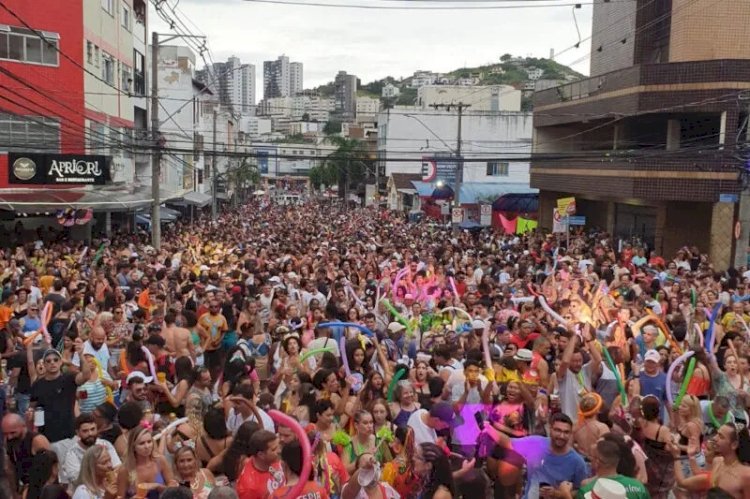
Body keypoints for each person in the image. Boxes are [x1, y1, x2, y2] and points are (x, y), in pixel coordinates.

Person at [30, 343, 91, 461]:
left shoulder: (69, 378)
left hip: (68, 436)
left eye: (55, 360)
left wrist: (81, 355)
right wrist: (30, 414)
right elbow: (32, 407)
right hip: (47, 438)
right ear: (44, 364)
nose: (52, 363)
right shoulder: (38, 385)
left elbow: (86, 375)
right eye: (48, 361)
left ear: (60, 362)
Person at [573, 439, 650, 499]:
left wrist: (566, 494)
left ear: (597, 462)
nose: (590, 460)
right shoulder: (638, 486)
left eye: (591, 457)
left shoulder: (587, 491)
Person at [115, 426, 176, 499]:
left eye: (149, 442)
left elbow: (173, 489)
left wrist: (157, 486)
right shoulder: (125, 470)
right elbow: (119, 497)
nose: (147, 446)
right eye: (142, 443)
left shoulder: (160, 461)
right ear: (133, 446)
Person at [61, 414, 121, 485]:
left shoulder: (106, 445)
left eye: (93, 429)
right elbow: (76, 480)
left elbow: (118, 468)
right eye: (85, 431)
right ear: (77, 433)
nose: (90, 434)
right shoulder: (72, 453)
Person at [2, 412, 50, 493]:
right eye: (6, 434)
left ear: (23, 426)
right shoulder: (9, 441)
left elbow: (51, 467)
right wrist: (15, 492)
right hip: (24, 486)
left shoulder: (37, 440)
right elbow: (10, 469)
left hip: (41, 487)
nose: (9, 437)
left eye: (13, 433)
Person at [235, 430, 285, 499]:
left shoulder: (272, 459)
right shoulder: (249, 488)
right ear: (261, 455)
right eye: (274, 449)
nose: (279, 451)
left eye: (278, 446)